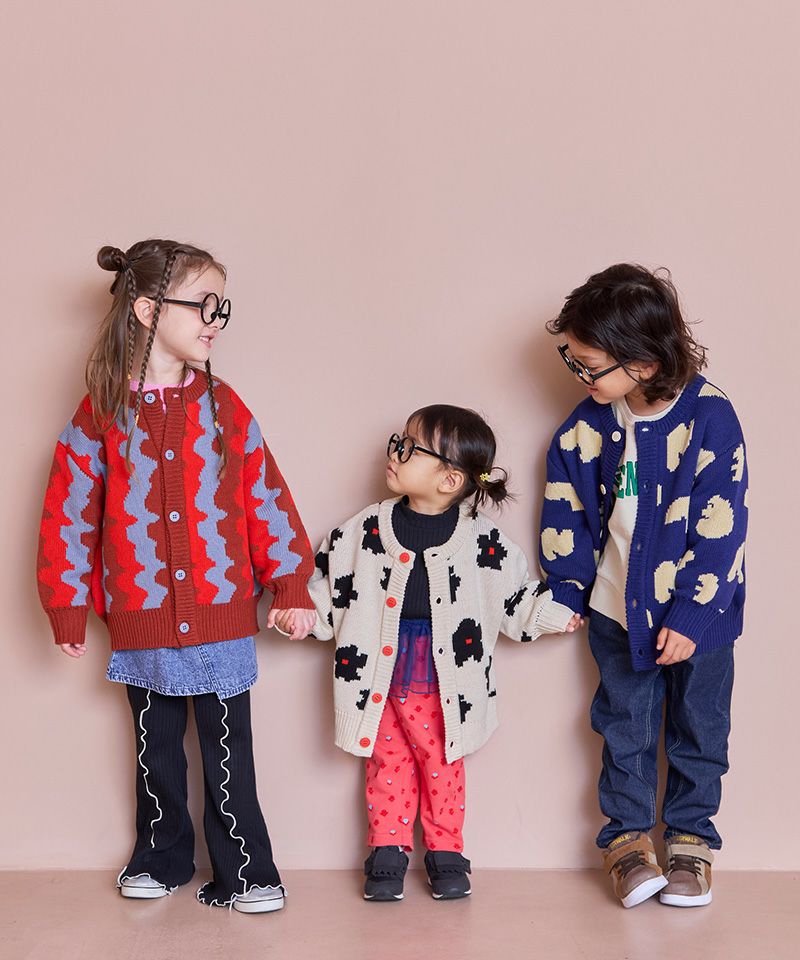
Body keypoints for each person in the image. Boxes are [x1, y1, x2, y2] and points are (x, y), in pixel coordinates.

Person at [37, 239, 316, 913]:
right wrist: (65, 604)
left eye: (222, 307)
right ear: (147, 310)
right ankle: (161, 858)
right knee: (155, 753)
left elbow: (265, 497)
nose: (215, 320)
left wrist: (290, 585)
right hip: (142, 619)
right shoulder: (100, 415)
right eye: (203, 305)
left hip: (221, 615)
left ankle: (248, 871)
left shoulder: (225, 407)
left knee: (229, 754)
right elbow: (69, 512)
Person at [296, 404, 581, 902]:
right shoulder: (364, 529)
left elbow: (515, 597)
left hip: (447, 675)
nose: (395, 453)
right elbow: (331, 584)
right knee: (387, 761)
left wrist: (554, 614)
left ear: (450, 480)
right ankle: (387, 850)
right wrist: (300, 613)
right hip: (378, 670)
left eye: (410, 448)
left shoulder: (481, 540)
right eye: (398, 441)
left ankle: (446, 852)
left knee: (442, 761)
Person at [539, 263, 748, 908]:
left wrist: (690, 618)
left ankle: (691, 842)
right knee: (624, 725)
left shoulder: (711, 419)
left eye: (589, 366)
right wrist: (567, 591)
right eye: (573, 362)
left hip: (701, 617)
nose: (579, 377)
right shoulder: (586, 427)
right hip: (616, 608)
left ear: (644, 362)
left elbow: (722, 527)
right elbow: (567, 513)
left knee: (698, 729)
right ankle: (628, 843)